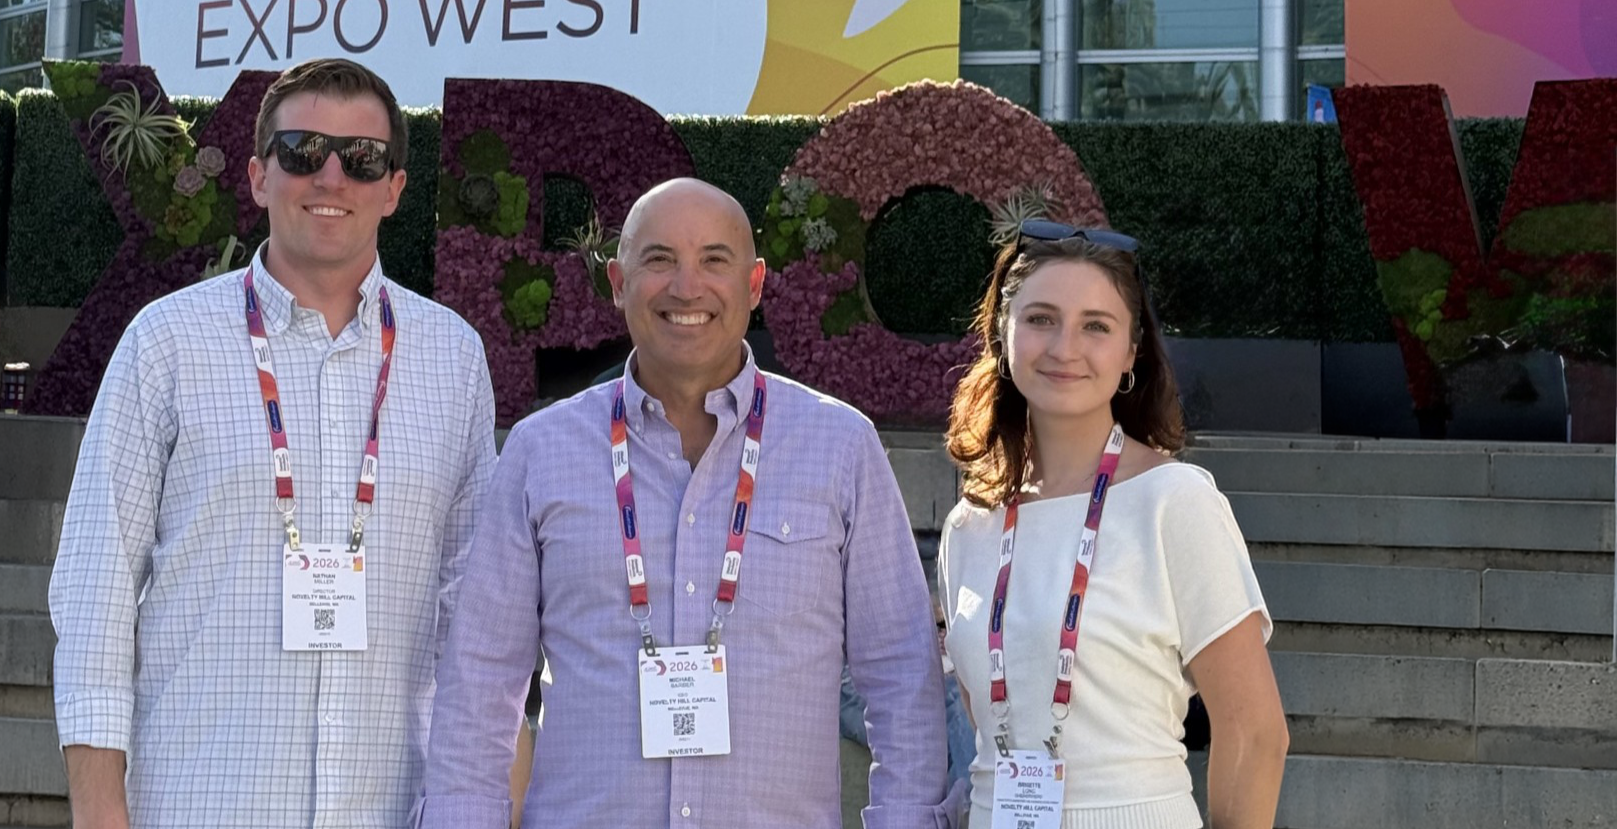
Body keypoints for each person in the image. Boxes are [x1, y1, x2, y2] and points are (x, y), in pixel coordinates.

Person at [420, 178, 952, 828]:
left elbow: (901, 678)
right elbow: (479, 683)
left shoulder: (840, 446)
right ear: (618, 282)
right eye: (660, 259)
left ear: (754, 285)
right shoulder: (541, 451)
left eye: (714, 261)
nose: (686, 286)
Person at [50, 58, 498, 828]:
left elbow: (474, 608)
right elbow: (96, 592)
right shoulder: (167, 343)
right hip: (199, 803)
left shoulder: (453, 358)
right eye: (301, 152)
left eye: (361, 159)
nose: (330, 176)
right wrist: (98, 816)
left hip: (388, 807)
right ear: (258, 176)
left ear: (393, 189)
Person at [938, 221, 1287, 829]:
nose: (1065, 347)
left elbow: (1256, 733)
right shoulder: (970, 526)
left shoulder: (1174, 503)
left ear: (1131, 353)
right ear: (1002, 332)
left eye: (1096, 326)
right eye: (1041, 318)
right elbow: (985, 715)